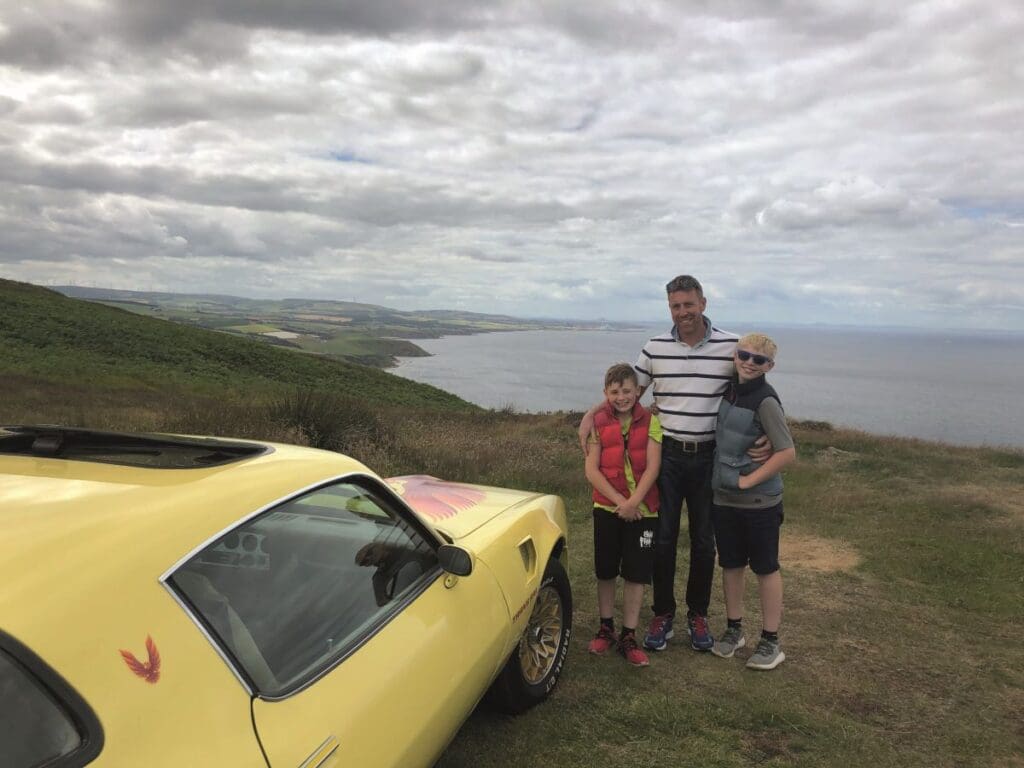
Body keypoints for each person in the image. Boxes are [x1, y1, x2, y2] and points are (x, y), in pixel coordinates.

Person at [578, 275, 770, 653]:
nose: (683, 312)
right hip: (666, 457)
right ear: (670, 308)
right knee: (662, 539)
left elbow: (753, 389)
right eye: (675, 306)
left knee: (703, 541)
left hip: (708, 458)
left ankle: (697, 615)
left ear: (703, 303)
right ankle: (662, 613)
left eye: (688, 304)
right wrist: (590, 415)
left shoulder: (731, 346)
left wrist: (766, 432)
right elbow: (628, 393)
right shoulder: (655, 348)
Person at [708, 333, 796, 670]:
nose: (749, 362)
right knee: (730, 564)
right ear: (735, 356)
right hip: (724, 497)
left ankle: (771, 641)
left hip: (759, 502)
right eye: (744, 355)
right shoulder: (731, 387)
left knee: (765, 568)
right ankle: (734, 631)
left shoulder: (765, 400)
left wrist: (748, 480)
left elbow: (787, 451)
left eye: (758, 360)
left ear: (769, 366)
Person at [584, 363, 662, 667]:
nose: (621, 397)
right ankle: (606, 627)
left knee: (636, 572)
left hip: (644, 511)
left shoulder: (652, 422)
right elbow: (591, 469)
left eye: (627, 390)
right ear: (605, 394)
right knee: (605, 569)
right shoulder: (598, 423)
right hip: (608, 508)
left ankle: (629, 634)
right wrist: (620, 502)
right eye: (614, 392)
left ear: (637, 391)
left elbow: (653, 467)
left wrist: (635, 503)